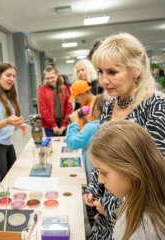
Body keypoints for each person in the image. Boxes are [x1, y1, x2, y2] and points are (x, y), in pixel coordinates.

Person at [83, 32, 165, 239]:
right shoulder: (111, 104)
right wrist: (94, 187)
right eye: (100, 72)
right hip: (105, 219)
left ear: (136, 69)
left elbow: (154, 181)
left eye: (112, 72)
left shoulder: (156, 107)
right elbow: (104, 155)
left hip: (134, 222)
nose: (103, 80)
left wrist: (110, 206)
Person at [89, 120, 165, 240]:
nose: (100, 180)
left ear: (131, 170)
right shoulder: (132, 195)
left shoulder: (145, 230)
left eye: (103, 173)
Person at [66, 94, 107, 181]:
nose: (90, 105)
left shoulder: (91, 127)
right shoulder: (107, 124)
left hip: (92, 176)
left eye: (93, 104)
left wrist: (74, 123)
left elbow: (71, 143)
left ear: (98, 112)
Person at [38, 65, 73, 137]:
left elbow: (69, 107)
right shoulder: (42, 90)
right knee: (52, 145)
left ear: (57, 75)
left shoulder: (64, 88)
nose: (50, 80)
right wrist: (53, 125)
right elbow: (42, 109)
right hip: (49, 125)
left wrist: (64, 125)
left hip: (62, 123)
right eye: (47, 78)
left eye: (52, 77)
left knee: (61, 145)